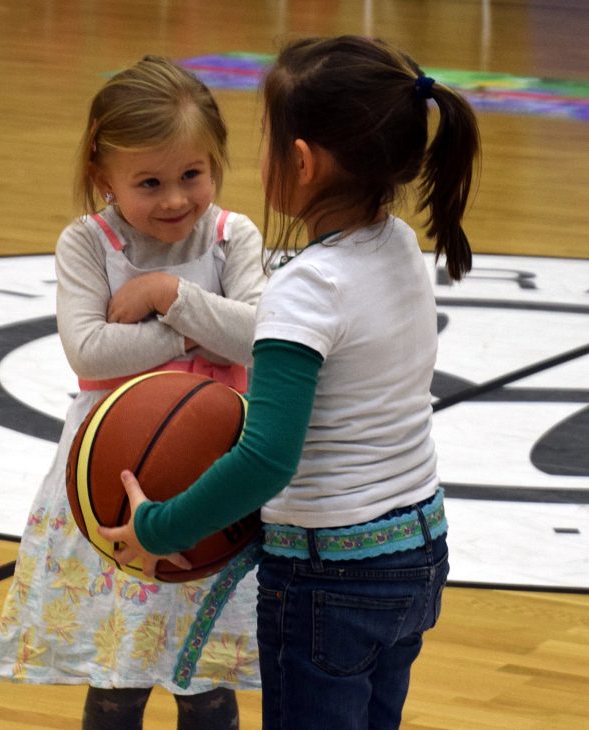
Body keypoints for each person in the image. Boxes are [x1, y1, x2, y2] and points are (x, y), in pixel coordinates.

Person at [100, 35, 481, 730]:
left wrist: (159, 526)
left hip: (329, 578)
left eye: (270, 140)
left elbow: (267, 458)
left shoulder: (304, 290)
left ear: (301, 162)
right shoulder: (397, 243)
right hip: (418, 552)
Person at [0, 55, 267, 729]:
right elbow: (90, 352)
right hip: (112, 472)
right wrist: (198, 332)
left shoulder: (235, 237)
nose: (174, 199)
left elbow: (259, 338)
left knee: (204, 674)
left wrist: (168, 296)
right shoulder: (87, 244)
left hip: (217, 472)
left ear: (217, 163)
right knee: (118, 676)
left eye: (192, 175)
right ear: (100, 174)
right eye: (150, 182)